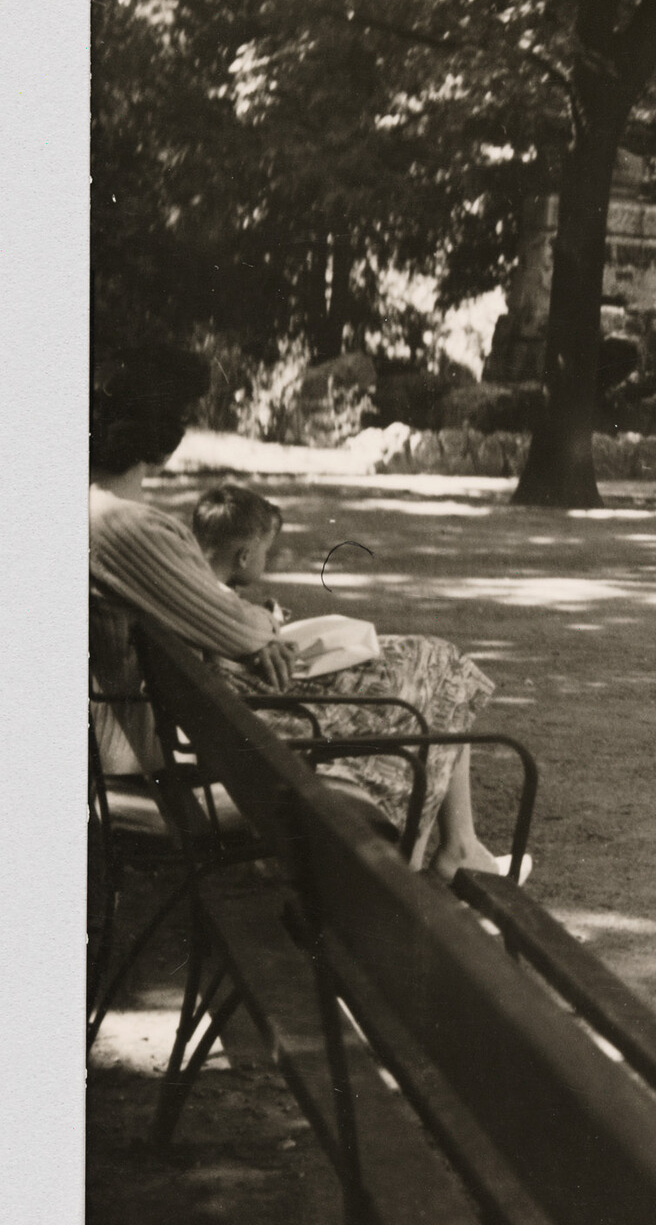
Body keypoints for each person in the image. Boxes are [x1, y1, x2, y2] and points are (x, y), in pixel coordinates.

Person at [88, 349, 508, 880]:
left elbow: (223, 615)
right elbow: (240, 627)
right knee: (435, 671)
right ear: (160, 440)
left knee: (434, 663)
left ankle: (452, 849)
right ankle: (411, 878)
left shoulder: (104, 517)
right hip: (172, 749)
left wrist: (257, 629)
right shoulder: (122, 526)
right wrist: (263, 628)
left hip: (181, 721)